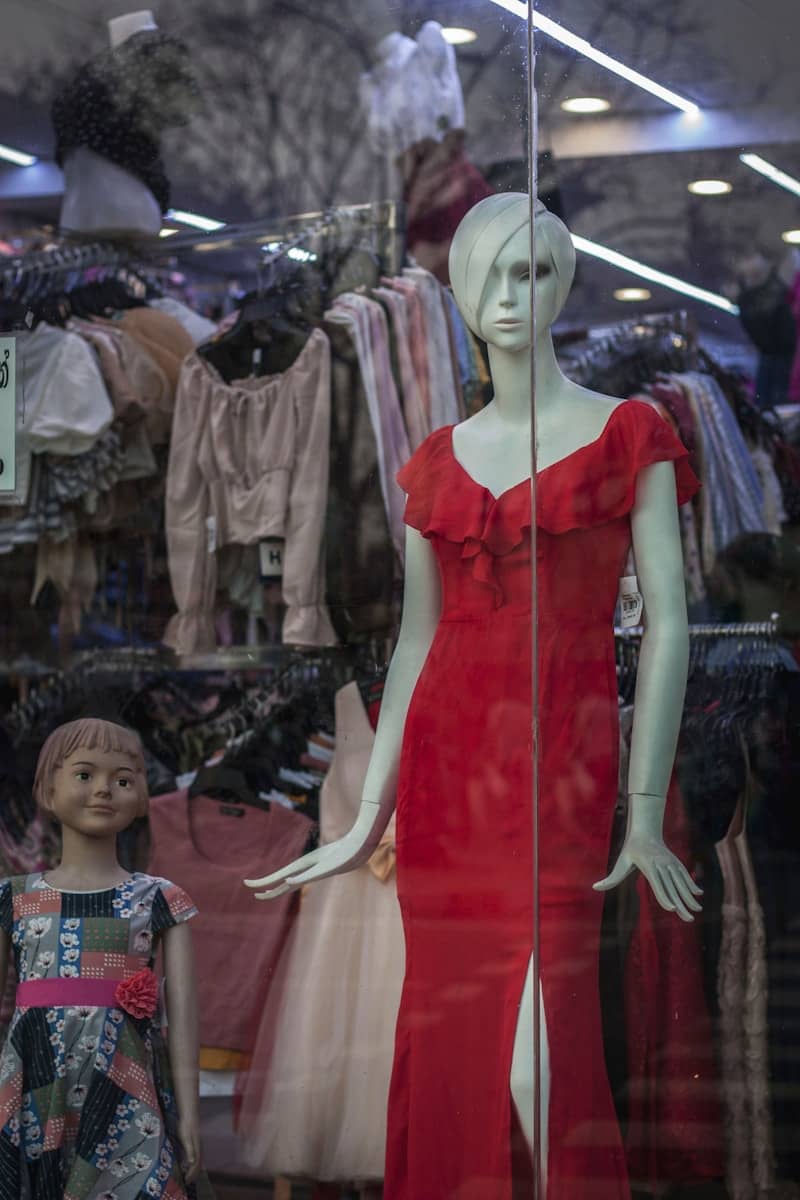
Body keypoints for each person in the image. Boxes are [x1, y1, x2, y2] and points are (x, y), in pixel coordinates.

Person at [246, 193, 703, 1199]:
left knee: (539, 1043)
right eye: (486, 274)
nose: (507, 296)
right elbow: (414, 644)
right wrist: (370, 810)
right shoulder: (433, 464)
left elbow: (667, 624)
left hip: (562, 762)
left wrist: (641, 810)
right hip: (450, 777)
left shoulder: (630, 432)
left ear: (564, 285)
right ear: (452, 291)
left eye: (531, 272)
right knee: (458, 1029)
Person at [0, 717, 200, 1198]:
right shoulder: (14, 897)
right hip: (35, 1077)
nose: (104, 790)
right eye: (84, 775)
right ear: (49, 788)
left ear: (142, 796)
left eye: (123, 779)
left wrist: (191, 1116)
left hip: (126, 1086)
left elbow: (186, 1014)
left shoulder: (160, 899)